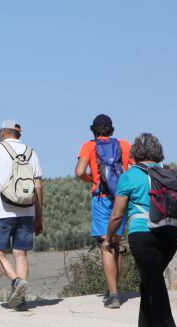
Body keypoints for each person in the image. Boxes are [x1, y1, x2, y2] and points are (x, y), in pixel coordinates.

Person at [103, 133, 177, 327]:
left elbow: (117, 215)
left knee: (154, 283)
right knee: (150, 281)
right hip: (171, 235)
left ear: (136, 153)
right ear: (158, 152)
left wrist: (109, 238)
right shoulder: (171, 174)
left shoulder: (129, 177)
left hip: (143, 234)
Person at [0, 119, 44, 310]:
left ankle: (16, 281)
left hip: (2, 210)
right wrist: (39, 216)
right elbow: (38, 186)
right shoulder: (31, 152)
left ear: (4, 133)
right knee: (20, 253)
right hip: (27, 210)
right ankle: (21, 299)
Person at [75, 114, 132, 309]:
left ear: (94, 130)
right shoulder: (124, 145)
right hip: (121, 199)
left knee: (105, 245)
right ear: (111, 129)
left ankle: (113, 294)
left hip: (101, 199)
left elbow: (79, 171)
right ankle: (115, 290)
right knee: (116, 243)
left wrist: (92, 180)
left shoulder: (88, 146)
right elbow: (131, 169)